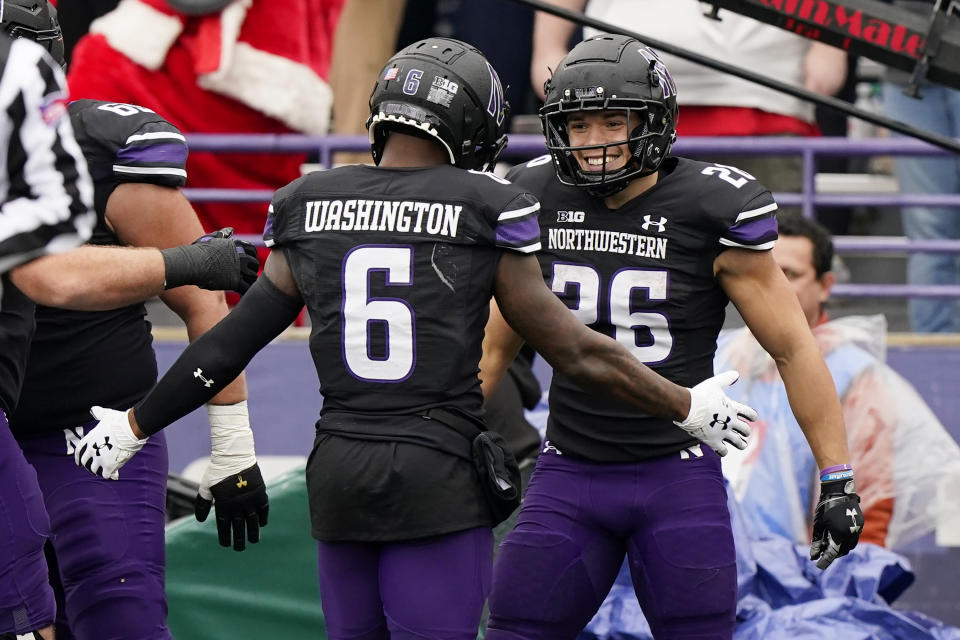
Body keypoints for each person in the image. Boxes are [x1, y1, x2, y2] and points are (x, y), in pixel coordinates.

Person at [71, 38, 758, 640]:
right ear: (472, 124)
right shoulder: (489, 206)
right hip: (437, 473)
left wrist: (136, 424)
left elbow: (228, 344)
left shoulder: (307, 200)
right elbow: (571, 346)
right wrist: (683, 404)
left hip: (339, 468)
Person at [477, 34, 864, 640]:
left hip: (675, 475)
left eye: (613, 121)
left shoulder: (711, 206)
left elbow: (793, 347)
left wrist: (837, 477)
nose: (594, 141)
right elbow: (495, 345)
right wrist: (448, 437)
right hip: (569, 468)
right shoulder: (538, 196)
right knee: (514, 630)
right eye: (578, 125)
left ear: (653, 123)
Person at [3, 4, 262, 639]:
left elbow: (204, 298)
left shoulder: (97, 147)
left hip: (93, 436)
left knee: (119, 616)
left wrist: (232, 446)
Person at [718, 211, 960, 550]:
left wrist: (832, 584)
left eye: (790, 274)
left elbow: (867, 508)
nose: (775, 287)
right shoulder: (718, 355)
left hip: (796, 584)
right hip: (704, 565)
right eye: (765, 274)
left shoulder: (854, 377)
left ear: (825, 286)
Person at [530, 0, 848, 218]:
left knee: (773, 245)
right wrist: (547, 47)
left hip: (769, 99)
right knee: (624, 240)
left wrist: (830, 43)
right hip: (619, 100)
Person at [882, 1, 960, 333]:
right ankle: (933, 349)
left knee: (929, 227)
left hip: (912, 66)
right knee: (928, 226)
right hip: (910, 65)